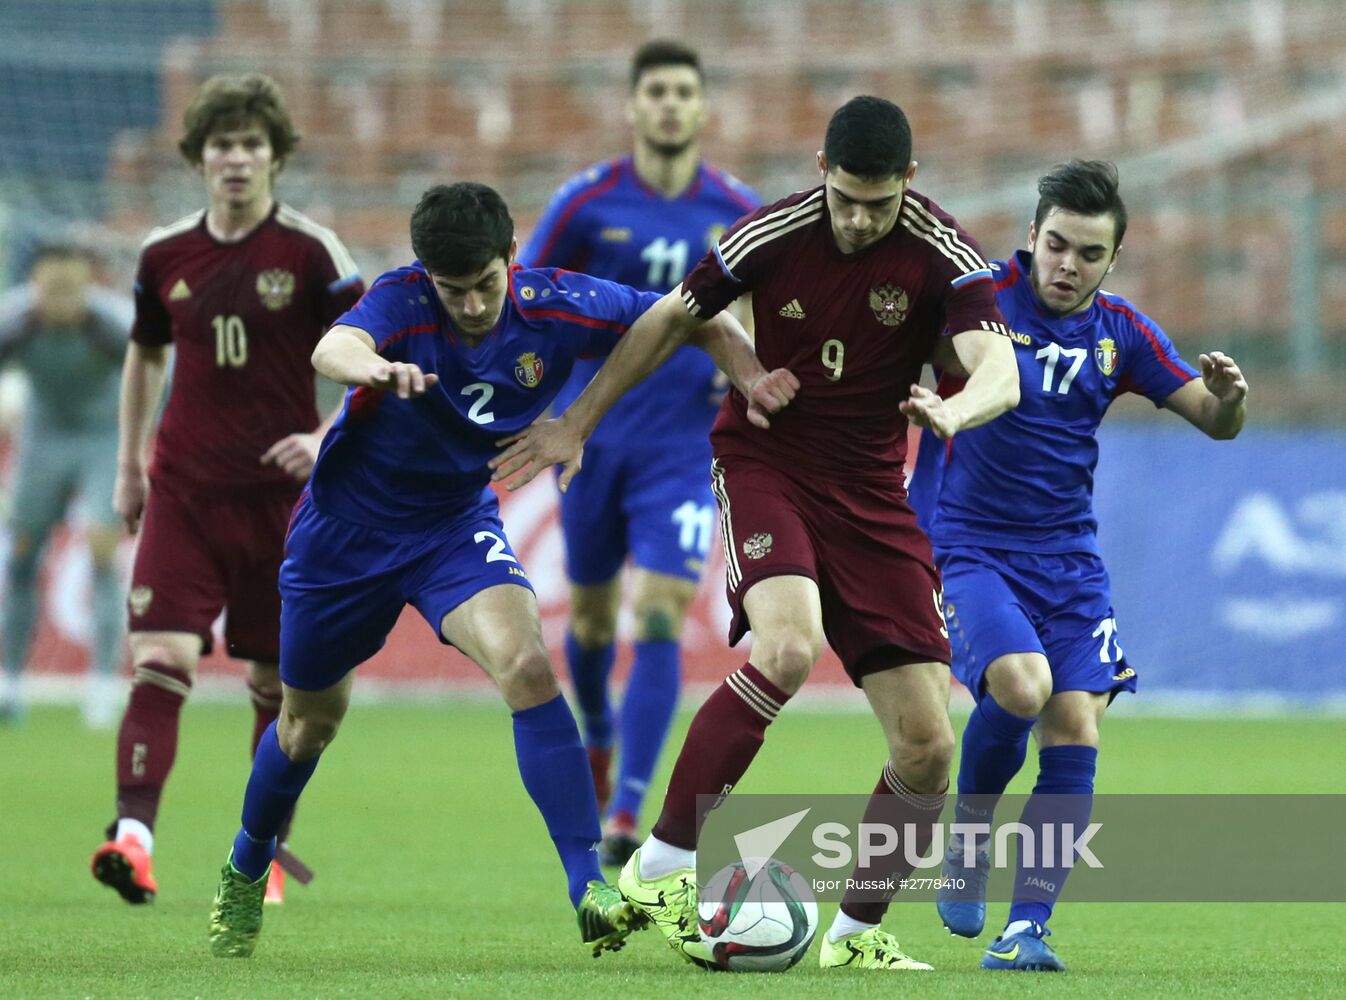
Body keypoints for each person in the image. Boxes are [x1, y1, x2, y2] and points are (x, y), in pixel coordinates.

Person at [490, 95, 1020, 972]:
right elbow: (673, 314)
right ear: (821, 169)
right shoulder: (770, 231)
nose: (856, 219)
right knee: (787, 646)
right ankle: (658, 868)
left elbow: (1001, 366)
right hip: (767, 464)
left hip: (873, 499)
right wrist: (578, 419)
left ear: (909, 185)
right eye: (844, 196)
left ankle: (854, 938)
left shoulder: (941, 250)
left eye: (877, 203)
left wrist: (957, 409)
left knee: (929, 747)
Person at [204, 181, 794, 960]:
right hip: (343, 539)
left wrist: (748, 378)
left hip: (451, 527)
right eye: (455, 290)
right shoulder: (401, 302)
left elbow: (693, 315)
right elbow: (333, 347)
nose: (475, 305)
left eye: (486, 283)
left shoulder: (558, 302)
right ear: (426, 277)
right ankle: (247, 866)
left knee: (526, 666)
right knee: (307, 723)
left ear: (512, 256)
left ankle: (588, 887)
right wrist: (372, 371)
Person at [908, 160, 1248, 971]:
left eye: (1089, 254)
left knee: (1074, 723)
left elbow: (1213, 421)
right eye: (1056, 245)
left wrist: (1230, 398)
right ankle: (969, 834)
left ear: (1111, 260)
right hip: (969, 545)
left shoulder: (1121, 331)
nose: (1068, 265)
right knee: (1021, 688)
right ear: (1030, 238)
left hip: (1069, 559)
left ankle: (1027, 929)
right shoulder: (977, 300)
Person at [89, 73, 365, 908]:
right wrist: (130, 463)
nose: (235, 159)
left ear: (275, 157)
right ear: (198, 159)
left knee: (279, 686)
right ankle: (132, 839)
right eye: (221, 145)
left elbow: (369, 355)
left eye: (251, 145)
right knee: (158, 661)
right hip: (184, 493)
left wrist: (324, 439)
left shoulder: (314, 254)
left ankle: (264, 851)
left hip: (284, 505)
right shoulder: (163, 254)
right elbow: (144, 356)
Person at [518, 39, 760, 867]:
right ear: (633, 105)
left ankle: (628, 807)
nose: (668, 104)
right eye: (654, 90)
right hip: (592, 438)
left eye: (682, 91)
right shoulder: (587, 202)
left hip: (684, 449)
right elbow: (527, 296)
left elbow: (760, 314)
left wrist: (747, 374)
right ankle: (595, 732)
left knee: (658, 611)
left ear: (700, 107)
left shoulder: (737, 206)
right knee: (588, 624)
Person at [0, 243, 130, 728]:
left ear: (87, 285)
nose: (61, 300)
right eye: (51, 289)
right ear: (34, 286)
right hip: (41, 439)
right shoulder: (14, 322)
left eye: (71, 289)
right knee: (21, 557)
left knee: (101, 550)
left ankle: (102, 686)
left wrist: (136, 445)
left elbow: (158, 372)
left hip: (102, 437)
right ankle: (10, 682)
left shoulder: (112, 324)